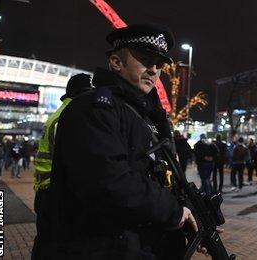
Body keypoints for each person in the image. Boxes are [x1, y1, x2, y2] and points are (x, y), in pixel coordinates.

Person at [48, 24, 200, 258]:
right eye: (145, 59)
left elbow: (157, 175)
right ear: (116, 62)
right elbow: (109, 182)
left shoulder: (147, 116)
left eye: (159, 65)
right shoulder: (94, 109)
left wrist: (189, 213)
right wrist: (173, 211)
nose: (154, 70)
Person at [31, 73, 93, 259]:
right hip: (55, 192)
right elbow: (73, 160)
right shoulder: (69, 116)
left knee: (47, 241)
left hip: (46, 189)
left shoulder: (58, 114)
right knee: (56, 246)